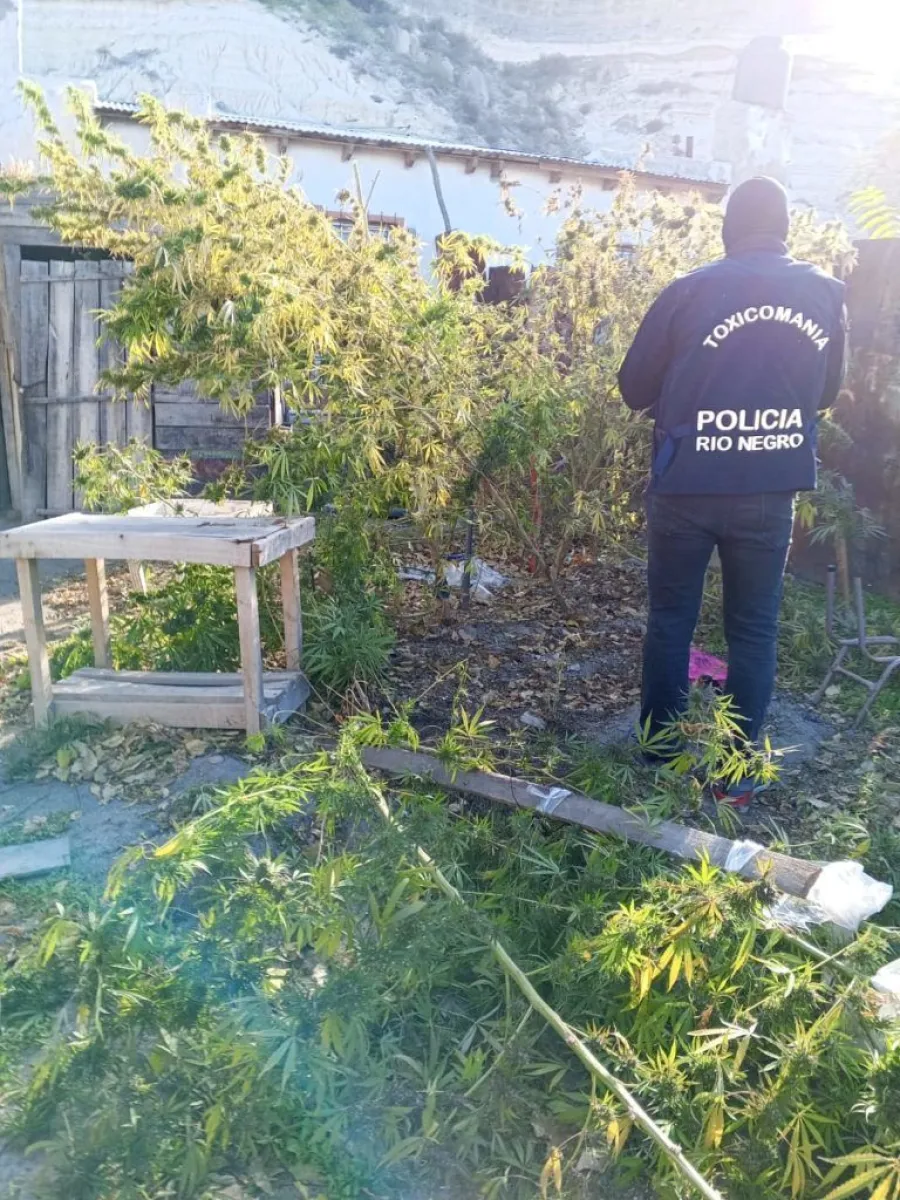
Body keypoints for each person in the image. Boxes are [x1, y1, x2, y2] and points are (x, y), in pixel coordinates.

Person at [618, 176, 847, 806]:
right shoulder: (826, 295)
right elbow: (827, 393)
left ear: (728, 229)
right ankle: (737, 774)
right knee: (753, 631)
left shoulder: (689, 291)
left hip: (687, 488)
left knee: (671, 621)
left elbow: (633, 388)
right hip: (770, 491)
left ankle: (661, 757)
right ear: (785, 229)